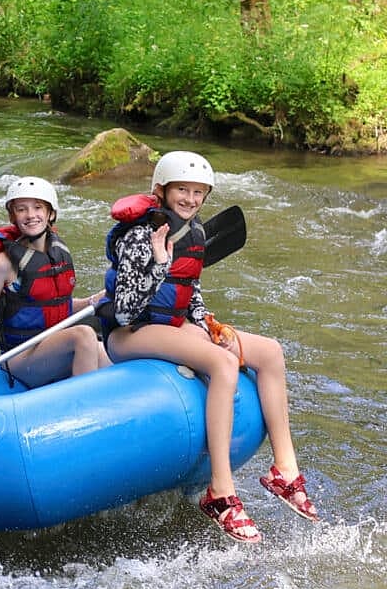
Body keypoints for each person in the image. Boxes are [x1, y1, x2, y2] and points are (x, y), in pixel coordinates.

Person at [100, 151, 318, 543]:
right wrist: (160, 262)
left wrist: (205, 322)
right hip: (131, 333)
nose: (190, 198)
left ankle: (283, 471)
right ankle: (220, 491)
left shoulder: (196, 232)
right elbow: (126, 309)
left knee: (269, 352)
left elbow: (190, 290)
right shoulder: (138, 236)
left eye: (198, 192)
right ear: (161, 190)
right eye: (182, 189)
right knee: (222, 364)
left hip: (174, 323)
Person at [0, 177, 110, 386]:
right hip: (19, 356)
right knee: (84, 335)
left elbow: (53, 307)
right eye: (21, 209)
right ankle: (81, 407)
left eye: (38, 208)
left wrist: (93, 300)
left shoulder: (58, 252)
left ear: (50, 213)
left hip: (53, 346)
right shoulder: (3, 263)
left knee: (110, 357)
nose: (30, 215)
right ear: (13, 215)